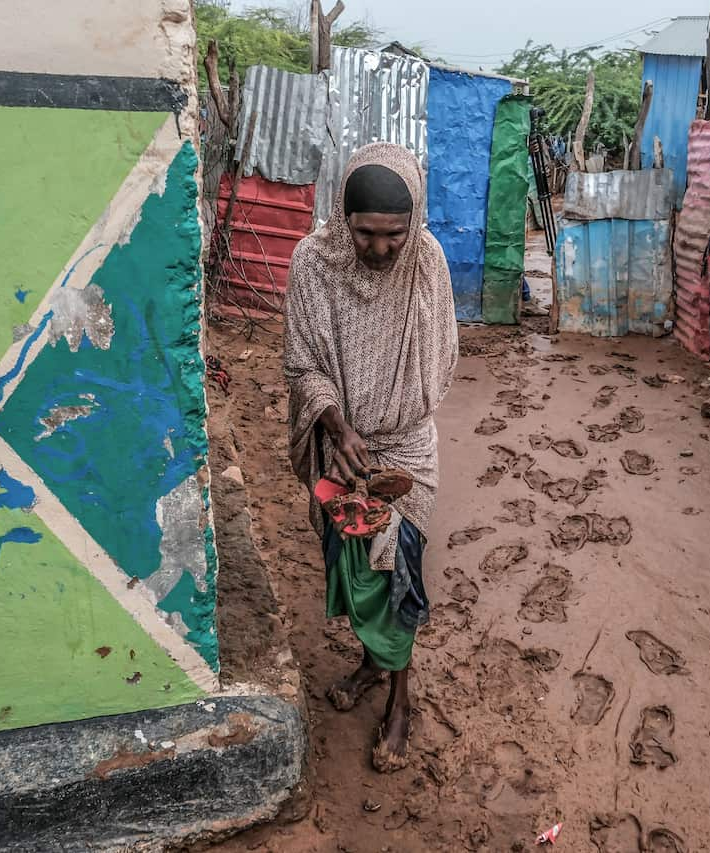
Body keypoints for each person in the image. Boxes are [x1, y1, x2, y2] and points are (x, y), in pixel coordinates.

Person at [283, 143, 458, 772]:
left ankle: (401, 702)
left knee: (397, 577)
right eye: (365, 234)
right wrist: (338, 423)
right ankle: (370, 662)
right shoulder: (313, 263)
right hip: (343, 447)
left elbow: (439, 362)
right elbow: (302, 362)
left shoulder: (427, 263)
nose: (380, 251)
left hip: (407, 449)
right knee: (352, 571)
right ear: (341, 218)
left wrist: (385, 423)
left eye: (394, 235)